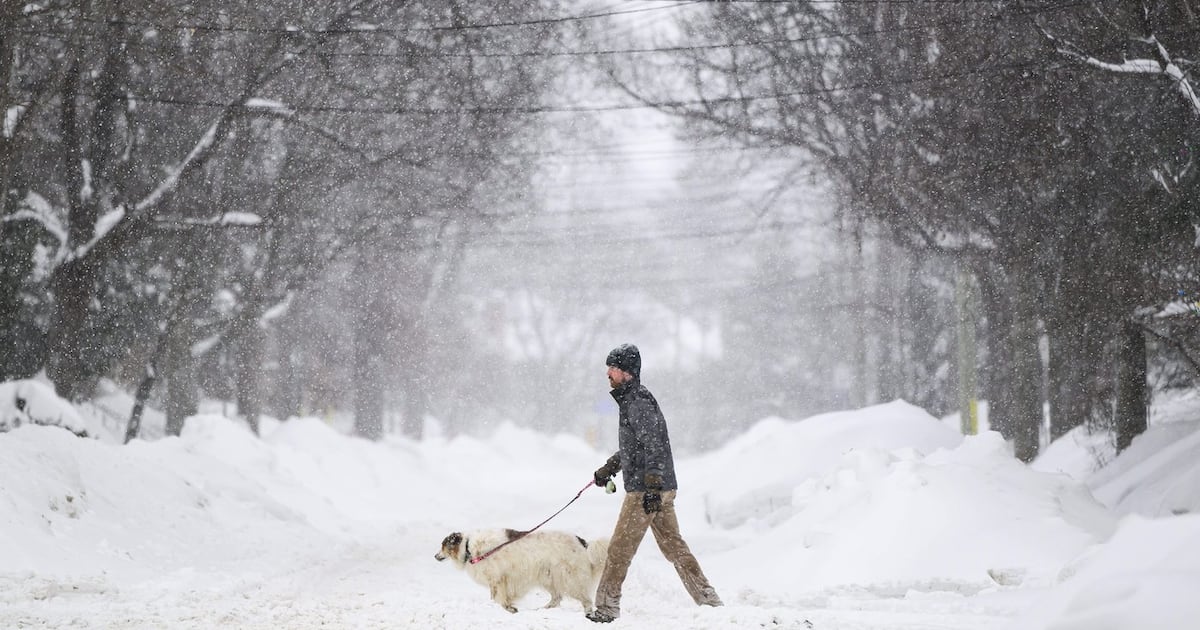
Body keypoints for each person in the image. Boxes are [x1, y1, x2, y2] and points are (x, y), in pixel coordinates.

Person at [586, 343, 722, 623]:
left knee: (619, 549)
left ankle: (606, 609)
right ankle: (709, 600)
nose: (608, 374)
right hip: (658, 487)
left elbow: (654, 447)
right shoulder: (633, 400)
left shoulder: (637, 402)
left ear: (627, 373)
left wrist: (650, 488)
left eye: (612, 368)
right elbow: (635, 448)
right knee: (674, 547)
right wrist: (608, 469)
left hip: (645, 490)